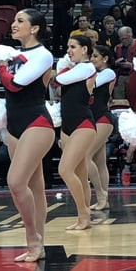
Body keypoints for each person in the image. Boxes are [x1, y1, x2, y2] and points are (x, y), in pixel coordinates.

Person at [0, 8, 56, 262]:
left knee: (16, 182)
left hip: (37, 122)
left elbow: (15, 84)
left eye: (20, 21)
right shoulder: (13, 54)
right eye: (14, 20)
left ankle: (33, 237)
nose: (14, 24)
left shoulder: (43, 54)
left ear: (35, 28)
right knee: (34, 187)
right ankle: (37, 245)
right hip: (14, 124)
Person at [54, 35, 98, 231]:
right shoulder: (76, 69)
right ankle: (84, 217)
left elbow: (58, 79)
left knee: (65, 170)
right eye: (67, 47)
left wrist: (63, 67)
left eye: (73, 47)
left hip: (83, 124)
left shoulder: (87, 68)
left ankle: (84, 213)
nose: (68, 51)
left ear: (85, 49)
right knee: (80, 174)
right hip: (67, 125)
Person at [87, 45, 116, 211]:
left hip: (102, 118)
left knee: (85, 156)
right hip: (93, 118)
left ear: (105, 59)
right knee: (99, 161)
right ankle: (104, 199)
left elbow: (92, 85)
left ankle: (100, 195)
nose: (92, 60)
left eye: (95, 57)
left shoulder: (108, 73)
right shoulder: (94, 73)